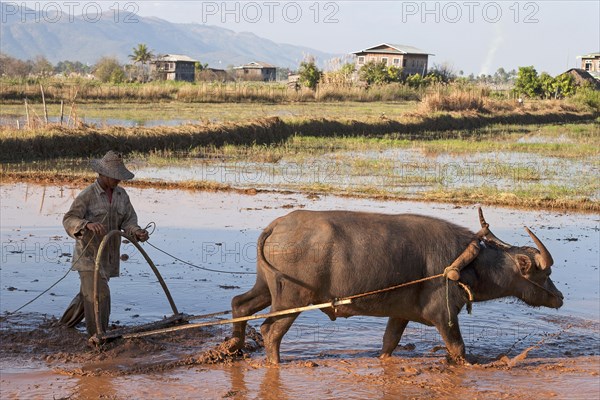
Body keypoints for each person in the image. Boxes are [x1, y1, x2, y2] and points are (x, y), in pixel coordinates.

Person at [59, 151, 148, 336]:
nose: (118, 180)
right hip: (88, 256)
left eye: (119, 177)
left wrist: (137, 232)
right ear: (103, 174)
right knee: (100, 295)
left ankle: (64, 325)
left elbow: (128, 221)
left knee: (88, 295)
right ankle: (98, 336)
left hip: (108, 257)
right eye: (115, 177)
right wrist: (86, 224)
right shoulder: (87, 195)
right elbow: (69, 219)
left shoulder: (122, 195)